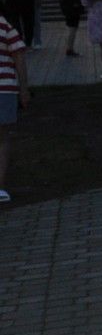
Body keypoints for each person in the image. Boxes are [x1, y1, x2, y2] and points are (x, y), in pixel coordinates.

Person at [0, 13, 28, 203]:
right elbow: (18, 55)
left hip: (5, 89)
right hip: (5, 88)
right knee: (2, 139)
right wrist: (23, 88)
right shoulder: (4, 25)